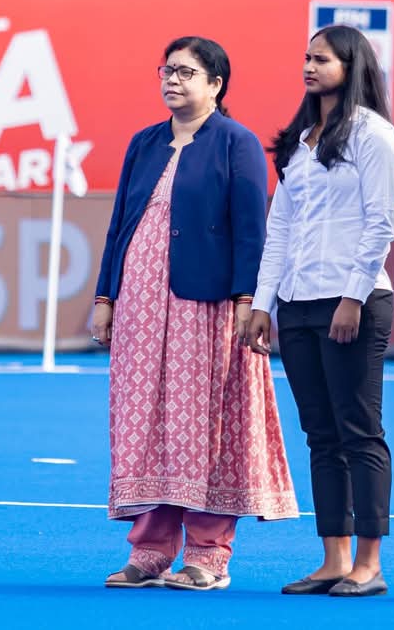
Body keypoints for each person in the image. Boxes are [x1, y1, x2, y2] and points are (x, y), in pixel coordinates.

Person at [93, 36, 297, 592]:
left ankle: (208, 554)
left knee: (202, 422)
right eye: (167, 70)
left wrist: (246, 303)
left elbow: (253, 228)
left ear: (216, 84)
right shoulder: (145, 142)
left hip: (205, 305)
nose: (172, 80)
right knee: (147, 422)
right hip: (139, 303)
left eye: (186, 72)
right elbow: (119, 226)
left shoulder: (237, 143)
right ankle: (151, 551)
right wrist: (105, 298)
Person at [246, 25, 394, 598]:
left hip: (353, 303)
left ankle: (370, 562)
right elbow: (280, 227)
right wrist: (264, 304)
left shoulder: (374, 135)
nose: (309, 67)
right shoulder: (300, 139)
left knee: (360, 431)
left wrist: (353, 296)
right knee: (319, 434)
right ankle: (333, 558)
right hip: (297, 304)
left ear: (352, 64)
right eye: (306, 57)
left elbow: (381, 223)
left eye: (322, 59)